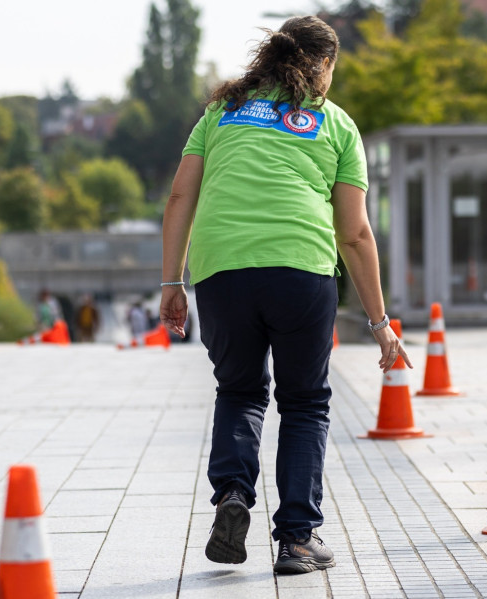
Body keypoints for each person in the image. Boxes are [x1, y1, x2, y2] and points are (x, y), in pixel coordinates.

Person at [158, 16, 409, 575]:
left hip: (221, 270)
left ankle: (232, 496)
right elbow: (355, 233)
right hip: (301, 269)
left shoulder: (220, 112)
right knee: (304, 403)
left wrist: (173, 283)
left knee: (240, 390)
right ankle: (296, 539)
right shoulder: (334, 123)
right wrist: (379, 321)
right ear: (324, 64)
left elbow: (180, 197)